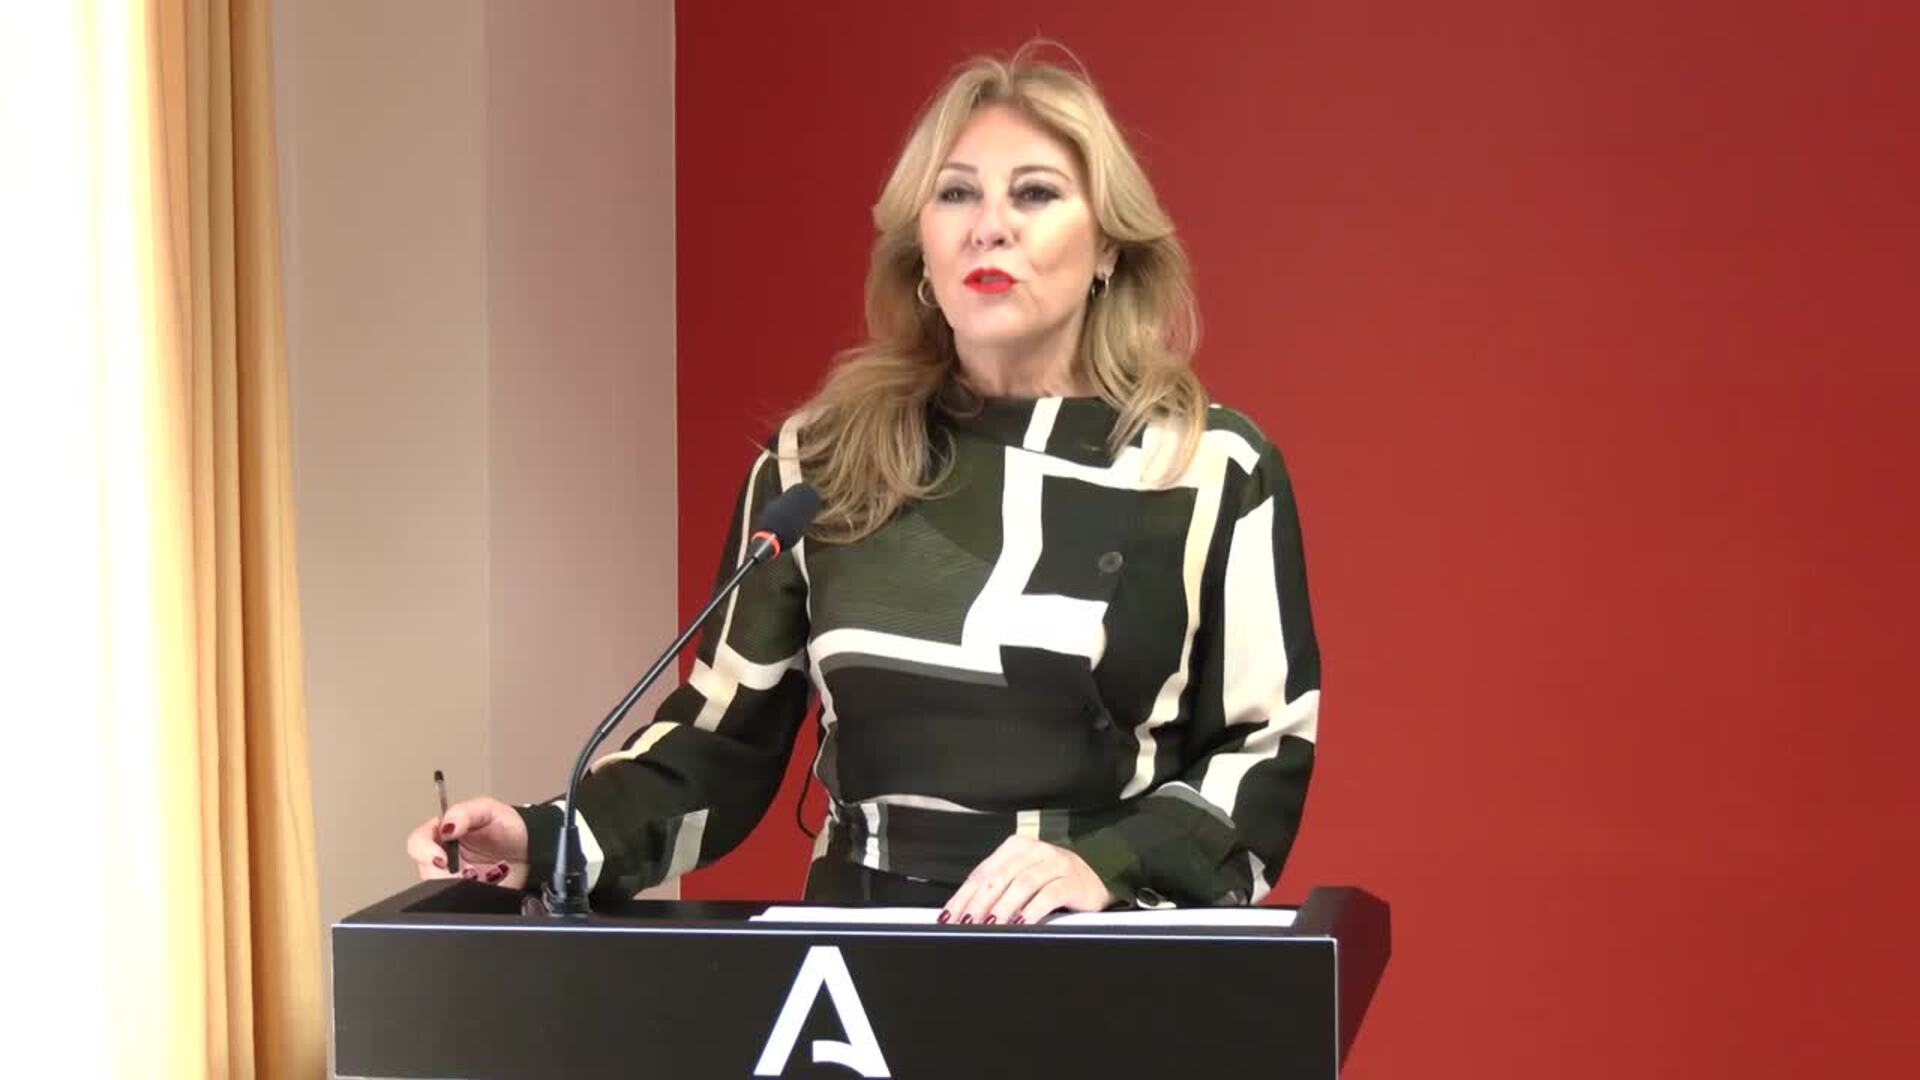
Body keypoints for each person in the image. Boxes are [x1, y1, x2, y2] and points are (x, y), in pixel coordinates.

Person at [406, 43, 1321, 926]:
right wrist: (544, 837)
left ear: (1111, 246)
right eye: (955, 194)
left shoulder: (1210, 466)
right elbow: (718, 744)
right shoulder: (820, 463)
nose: (988, 225)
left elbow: (1263, 752)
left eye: (1035, 193)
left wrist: (1102, 865)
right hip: (857, 960)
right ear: (922, 250)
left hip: (1108, 964)